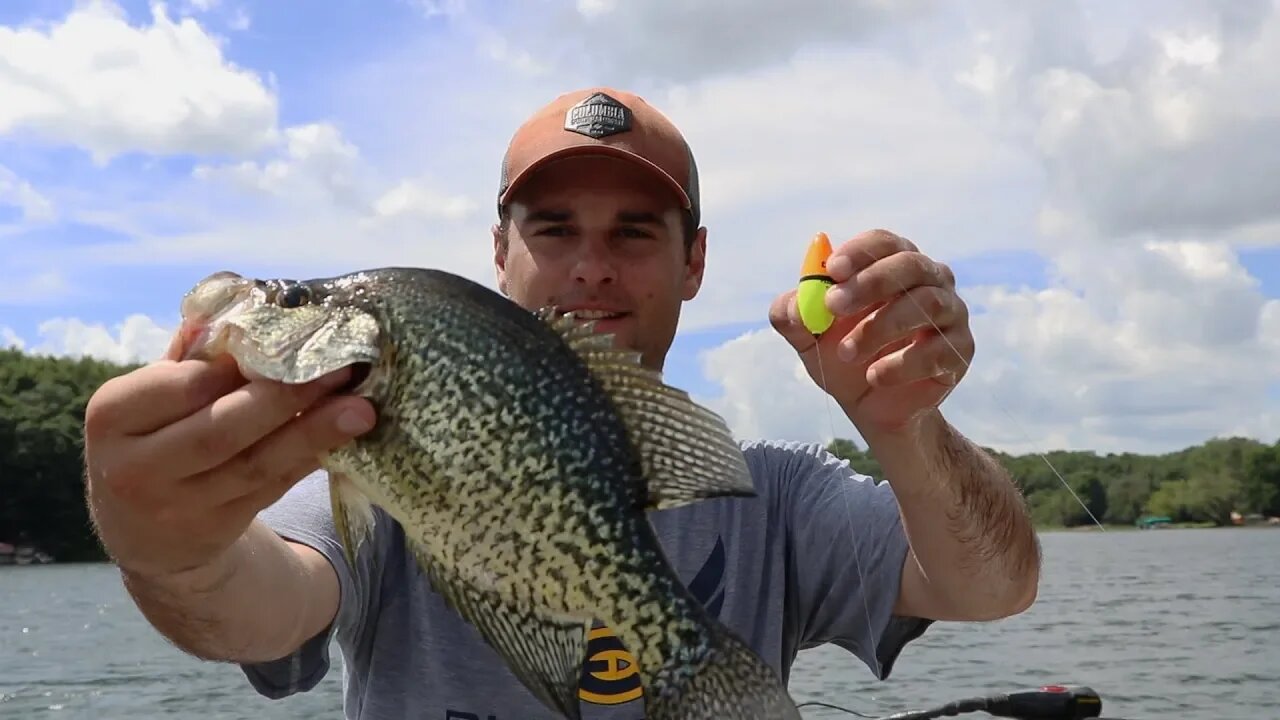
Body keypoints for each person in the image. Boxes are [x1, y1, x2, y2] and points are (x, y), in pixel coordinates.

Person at [83, 87, 1041, 719]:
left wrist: (904, 426)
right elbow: (263, 605)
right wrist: (175, 552)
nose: (590, 268)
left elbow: (990, 587)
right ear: (499, 252)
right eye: (552, 231)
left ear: (693, 261)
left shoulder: (773, 497)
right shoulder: (353, 451)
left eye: (633, 232)